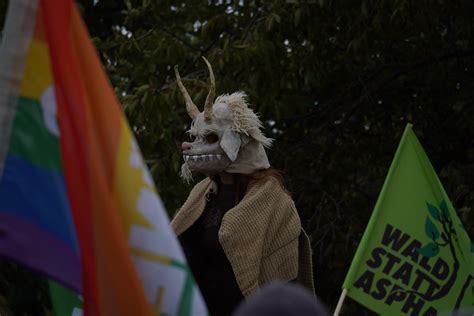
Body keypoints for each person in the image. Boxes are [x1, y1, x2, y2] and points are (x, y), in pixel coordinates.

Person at [171, 57, 314, 316]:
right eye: (196, 137)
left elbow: (283, 283)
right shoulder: (202, 194)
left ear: (238, 141)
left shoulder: (275, 202)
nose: (191, 146)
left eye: (211, 137)